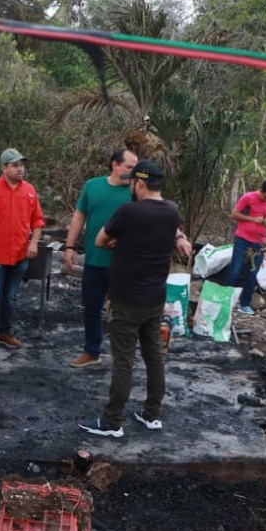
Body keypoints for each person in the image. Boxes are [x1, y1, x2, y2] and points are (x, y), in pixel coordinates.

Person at [78, 160, 180, 438]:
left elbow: (99, 240)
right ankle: (152, 414)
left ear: (141, 183)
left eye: (133, 182)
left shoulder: (129, 212)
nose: (131, 187)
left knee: (123, 361)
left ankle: (112, 422)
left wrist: (118, 242)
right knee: (154, 357)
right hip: (155, 297)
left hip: (126, 298)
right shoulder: (172, 211)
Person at [64, 150, 192, 368]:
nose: (134, 173)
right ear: (115, 165)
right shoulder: (92, 186)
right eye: (130, 167)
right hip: (96, 258)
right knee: (92, 307)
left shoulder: (136, 191)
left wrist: (179, 236)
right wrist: (69, 245)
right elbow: (79, 215)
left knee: (124, 311)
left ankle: (124, 357)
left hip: (125, 265)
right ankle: (91, 350)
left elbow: (160, 215)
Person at [0, 148, 45, 351]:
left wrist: (34, 242)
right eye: (15, 165)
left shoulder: (29, 190)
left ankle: (5, 332)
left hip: (21, 255)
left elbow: (38, 220)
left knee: (11, 296)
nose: (20, 169)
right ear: (4, 168)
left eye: (21, 165)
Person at [226, 180, 266, 315]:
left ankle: (245, 304)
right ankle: (226, 300)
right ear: (261, 191)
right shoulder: (248, 198)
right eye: (265, 197)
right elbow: (234, 214)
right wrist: (253, 219)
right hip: (243, 238)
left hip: (260, 242)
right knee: (235, 269)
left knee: (253, 273)